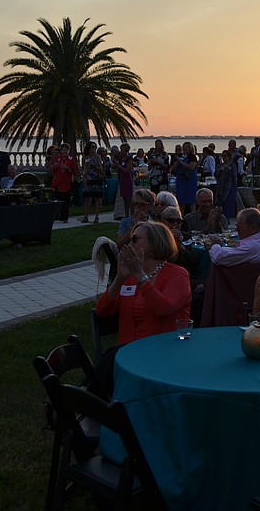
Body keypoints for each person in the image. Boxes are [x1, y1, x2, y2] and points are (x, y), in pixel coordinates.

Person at [95, 221, 191, 392]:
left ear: (154, 244)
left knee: (103, 374)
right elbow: (102, 311)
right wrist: (119, 279)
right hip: (128, 354)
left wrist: (140, 275)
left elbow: (163, 308)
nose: (128, 244)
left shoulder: (177, 275)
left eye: (135, 239)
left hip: (163, 354)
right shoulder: (129, 278)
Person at [49, 143, 76, 223]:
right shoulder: (57, 158)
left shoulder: (71, 159)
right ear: (61, 151)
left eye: (66, 150)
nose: (65, 151)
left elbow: (73, 171)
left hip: (67, 183)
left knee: (66, 201)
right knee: (57, 201)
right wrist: (55, 166)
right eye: (63, 150)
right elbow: (53, 169)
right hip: (58, 182)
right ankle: (56, 216)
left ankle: (65, 217)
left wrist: (67, 168)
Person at [81, 141, 105, 223]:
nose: (94, 148)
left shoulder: (98, 157)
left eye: (95, 147)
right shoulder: (84, 157)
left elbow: (101, 169)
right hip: (88, 179)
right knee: (87, 198)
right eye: (92, 147)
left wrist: (93, 165)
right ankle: (85, 216)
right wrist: (84, 178)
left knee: (97, 198)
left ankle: (97, 217)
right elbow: (83, 169)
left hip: (96, 179)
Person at [172, 141, 198, 213]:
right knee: (181, 201)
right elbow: (173, 169)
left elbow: (191, 167)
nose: (184, 148)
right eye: (184, 147)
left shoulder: (192, 157)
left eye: (186, 147)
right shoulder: (180, 156)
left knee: (191, 200)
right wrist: (177, 162)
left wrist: (181, 162)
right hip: (181, 180)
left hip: (189, 180)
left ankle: (193, 216)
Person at [214, 148, 238, 218]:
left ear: (229, 157)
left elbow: (234, 175)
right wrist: (220, 170)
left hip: (230, 188)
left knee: (229, 206)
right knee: (220, 205)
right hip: (220, 188)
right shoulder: (220, 165)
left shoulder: (232, 165)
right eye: (222, 156)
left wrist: (227, 169)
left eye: (225, 156)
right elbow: (215, 174)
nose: (223, 158)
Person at [115, 142, 134, 218]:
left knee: (129, 198)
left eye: (122, 150)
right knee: (124, 199)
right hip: (122, 179)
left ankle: (132, 215)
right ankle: (126, 215)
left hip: (127, 179)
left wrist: (119, 166)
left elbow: (127, 170)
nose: (121, 151)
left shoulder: (129, 160)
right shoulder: (120, 159)